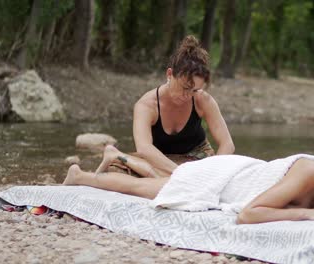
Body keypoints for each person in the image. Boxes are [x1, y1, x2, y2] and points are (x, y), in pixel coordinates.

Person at [64, 154, 314, 224]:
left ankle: (117, 155)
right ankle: (82, 177)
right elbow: (249, 214)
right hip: (227, 178)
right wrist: (312, 213)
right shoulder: (312, 173)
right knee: (152, 190)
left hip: (243, 174)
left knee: (161, 181)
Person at [96, 35, 234, 178]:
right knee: (115, 171)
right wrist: (181, 174)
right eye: (185, 87)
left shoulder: (202, 99)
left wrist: (215, 172)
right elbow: (144, 148)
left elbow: (227, 144)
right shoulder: (147, 106)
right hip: (159, 161)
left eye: (194, 90)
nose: (188, 95)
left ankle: (165, 177)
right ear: (169, 74)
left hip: (196, 160)